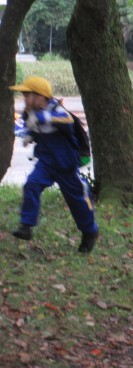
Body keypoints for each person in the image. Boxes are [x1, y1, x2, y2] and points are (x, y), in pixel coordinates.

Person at [9, 76, 99, 253]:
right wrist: (29, 134)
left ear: (40, 97)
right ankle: (26, 226)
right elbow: (32, 127)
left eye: (27, 95)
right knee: (32, 184)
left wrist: (41, 117)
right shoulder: (30, 112)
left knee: (78, 200)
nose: (24, 98)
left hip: (66, 165)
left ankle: (90, 231)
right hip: (46, 163)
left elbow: (66, 120)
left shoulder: (57, 110)